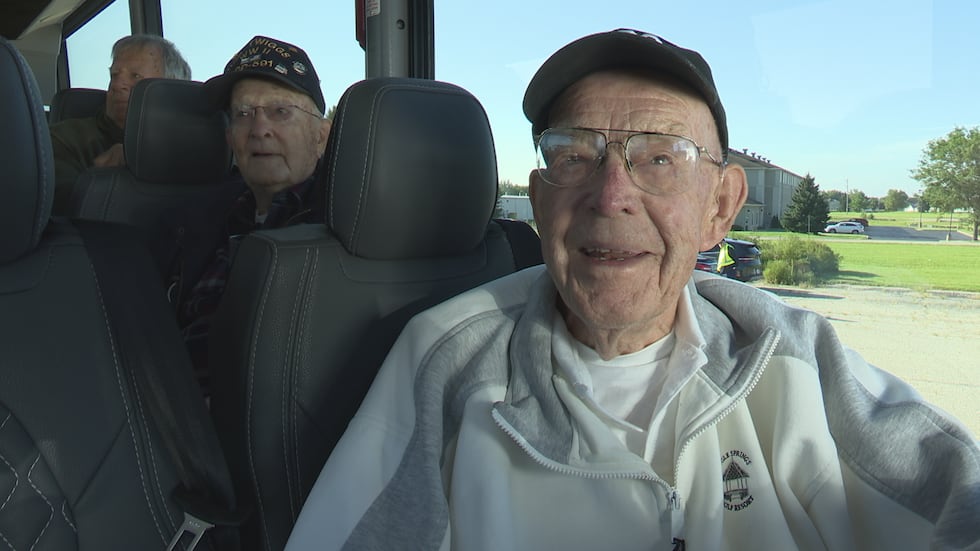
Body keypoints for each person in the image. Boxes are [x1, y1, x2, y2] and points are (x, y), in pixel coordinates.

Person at [284, 29, 980, 550]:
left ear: (720, 207)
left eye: (659, 158)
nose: (611, 194)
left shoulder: (791, 354)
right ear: (541, 197)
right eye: (575, 155)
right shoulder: (444, 359)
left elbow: (955, 489)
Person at [159, 35, 331, 375]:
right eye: (243, 113)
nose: (259, 129)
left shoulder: (346, 223)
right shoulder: (190, 219)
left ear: (320, 136)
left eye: (280, 111)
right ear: (229, 138)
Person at [49, 34, 191, 214]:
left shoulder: (199, 143)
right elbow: (54, 206)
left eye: (136, 76)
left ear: (172, 90)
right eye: (114, 75)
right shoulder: (63, 138)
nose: (117, 84)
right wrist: (106, 178)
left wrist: (145, 155)